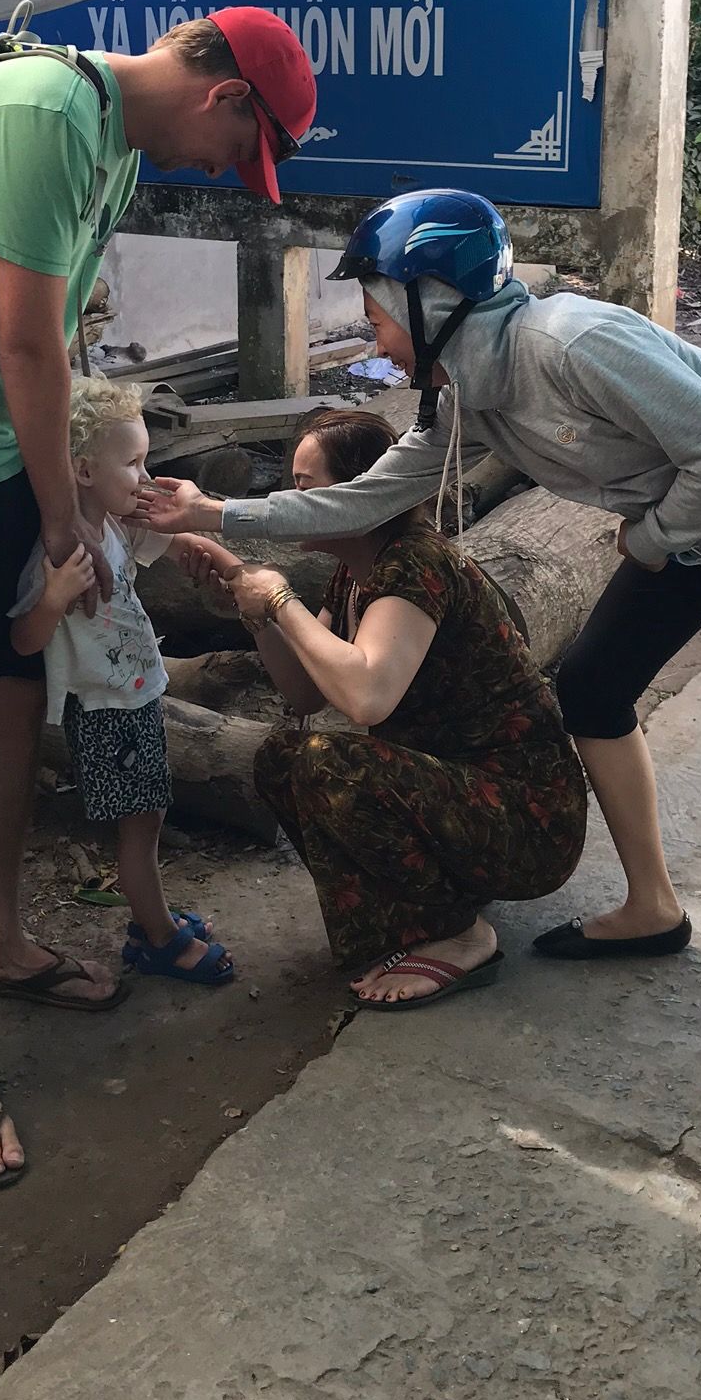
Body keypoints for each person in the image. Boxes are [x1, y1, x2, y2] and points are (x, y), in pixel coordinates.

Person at [139, 190, 701, 1076]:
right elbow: (369, 496)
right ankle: (653, 906)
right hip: (697, 524)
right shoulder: (466, 389)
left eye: (376, 317)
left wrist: (659, 538)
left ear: (433, 301)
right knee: (592, 690)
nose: (373, 343)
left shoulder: (572, 344)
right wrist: (217, 509)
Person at [0, 10, 315, 1186]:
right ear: (225, 94)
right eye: (238, 150)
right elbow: (28, 346)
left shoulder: (111, 138)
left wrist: (75, 484)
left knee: (12, 691)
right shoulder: (39, 111)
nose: (220, 172)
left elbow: (60, 342)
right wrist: (62, 510)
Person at [175, 408, 587, 1007]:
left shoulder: (416, 562)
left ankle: (460, 935)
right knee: (281, 758)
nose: (292, 500)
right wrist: (249, 595)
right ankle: (420, 914)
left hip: (525, 818)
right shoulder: (355, 571)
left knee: (331, 762)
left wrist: (280, 595)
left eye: (305, 486)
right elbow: (307, 693)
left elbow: (365, 695)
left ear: (360, 494)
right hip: (461, 799)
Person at [6, 377, 234, 1018]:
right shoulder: (58, 555)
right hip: (104, 710)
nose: (146, 475)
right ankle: (157, 938)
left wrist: (198, 541)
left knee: (151, 819)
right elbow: (23, 640)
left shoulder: (109, 524)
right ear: (81, 469)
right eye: (132, 462)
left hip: (134, 696)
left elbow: (161, 537)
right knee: (140, 829)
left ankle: (151, 917)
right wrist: (53, 599)